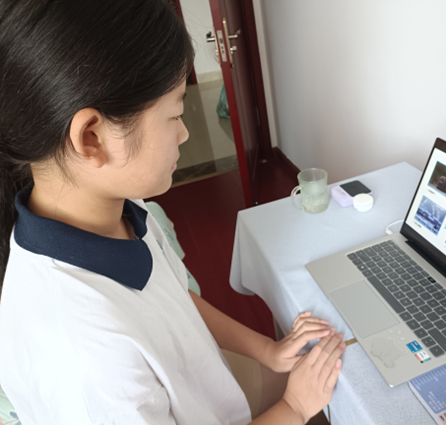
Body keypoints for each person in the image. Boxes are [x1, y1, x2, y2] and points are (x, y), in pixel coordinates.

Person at [0, 1, 346, 424]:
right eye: (176, 114)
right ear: (92, 138)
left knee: (340, 373)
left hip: (210, 388)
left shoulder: (123, 209)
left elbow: (175, 299)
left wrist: (269, 351)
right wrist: (294, 407)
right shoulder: (84, 360)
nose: (184, 133)